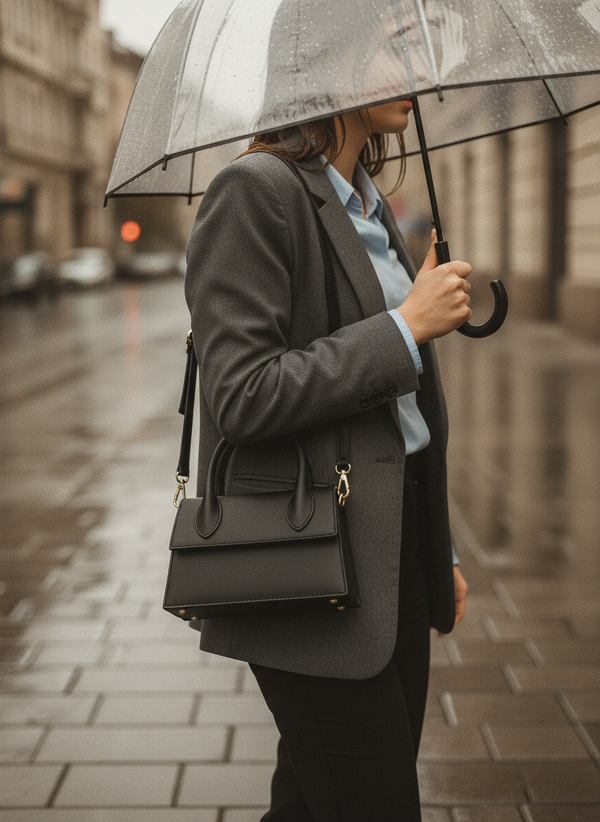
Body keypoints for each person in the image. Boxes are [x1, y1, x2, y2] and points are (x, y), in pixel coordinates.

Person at [185, 98, 470, 821]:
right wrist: (405, 327)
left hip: (392, 551)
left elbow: (404, 419)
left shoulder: (367, 207)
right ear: (329, 57)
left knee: (316, 804)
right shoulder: (256, 189)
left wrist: (439, 550)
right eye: (390, 37)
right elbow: (242, 394)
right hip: (307, 562)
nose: (411, 67)